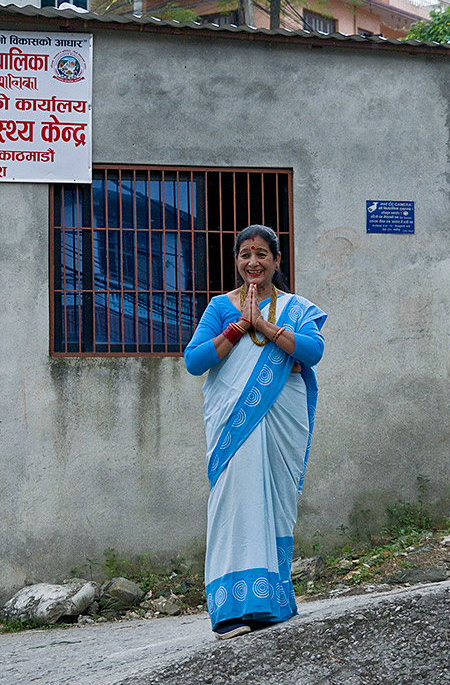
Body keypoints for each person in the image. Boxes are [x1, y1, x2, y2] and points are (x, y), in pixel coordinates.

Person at [183, 225, 327, 640]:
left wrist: (264, 326)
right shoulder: (220, 308)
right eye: (245, 254)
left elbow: (313, 351)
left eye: (262, 254)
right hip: (235, 426)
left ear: (277, 261)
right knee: (235, 502)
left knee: (274, 504)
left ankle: (270, 602)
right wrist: (238, 328)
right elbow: (194, 361)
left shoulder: (296, 308)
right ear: (236, 261)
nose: (253, 262)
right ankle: (231, 610)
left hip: (281, 425)